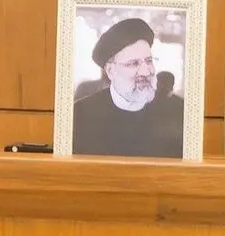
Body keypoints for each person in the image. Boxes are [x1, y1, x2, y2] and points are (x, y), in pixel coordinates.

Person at [72, 17, 184, 158]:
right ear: (110, 71)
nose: (146, 72)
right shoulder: (81, 114)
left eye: (149, 61)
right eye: (133, 63)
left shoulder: (178, 111)